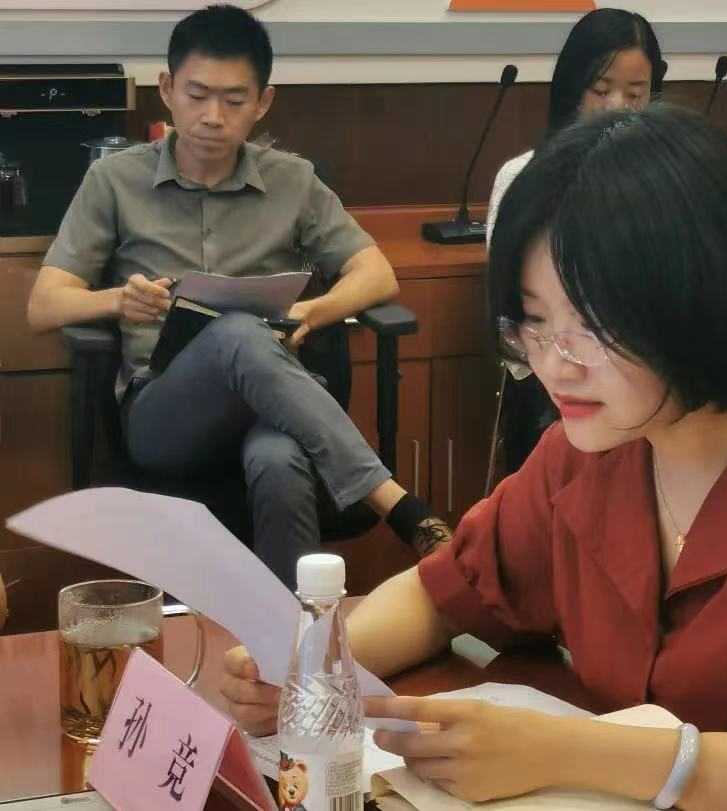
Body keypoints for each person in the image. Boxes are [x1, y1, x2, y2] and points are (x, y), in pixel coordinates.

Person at [222, 105, 727, 810]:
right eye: (533, 323)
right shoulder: (585, 456)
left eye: (591, 327)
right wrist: (309, 670)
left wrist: (567, 750)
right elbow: (444, 593)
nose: (554, 365)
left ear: (699, 300)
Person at [25, 4, 448, 589]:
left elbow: (376, 274)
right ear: (167, 90)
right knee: (237, 331)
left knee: (279, 459)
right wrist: (119, 300)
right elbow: (45, 304)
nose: (213, 117)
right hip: (165, 415)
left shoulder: (293, 180)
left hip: (272, 406)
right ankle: (398, 504)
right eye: (197, 95)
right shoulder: (115, 180)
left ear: (263, 102)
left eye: (233, 100)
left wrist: (311, 310)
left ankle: (291, 636)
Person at [487, 8, 666, 478]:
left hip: (646, 388)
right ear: (572, 89)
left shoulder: (667, 187)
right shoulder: (524, 177)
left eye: (635, 94)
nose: (617, 108)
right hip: (549, 386)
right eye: (601, 90)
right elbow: (510, 311)